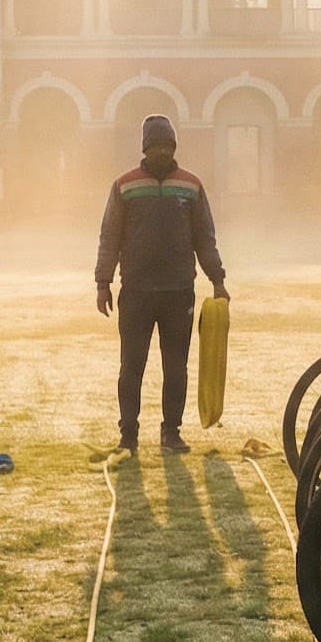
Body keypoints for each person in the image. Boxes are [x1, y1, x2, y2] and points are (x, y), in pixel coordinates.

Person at [95, 113, 227, 454]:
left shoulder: (191, 185)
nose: (163, 153)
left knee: (176, 367)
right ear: (145, 148)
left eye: (168, 146)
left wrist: (218, 280)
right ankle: (129, 435)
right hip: (136, 292)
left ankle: (171, 433)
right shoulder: (125, 185)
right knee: (131, 366)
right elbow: (109, 236)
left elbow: (205, 238)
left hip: (178, 291)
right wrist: (103, 282)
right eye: (157, 146)